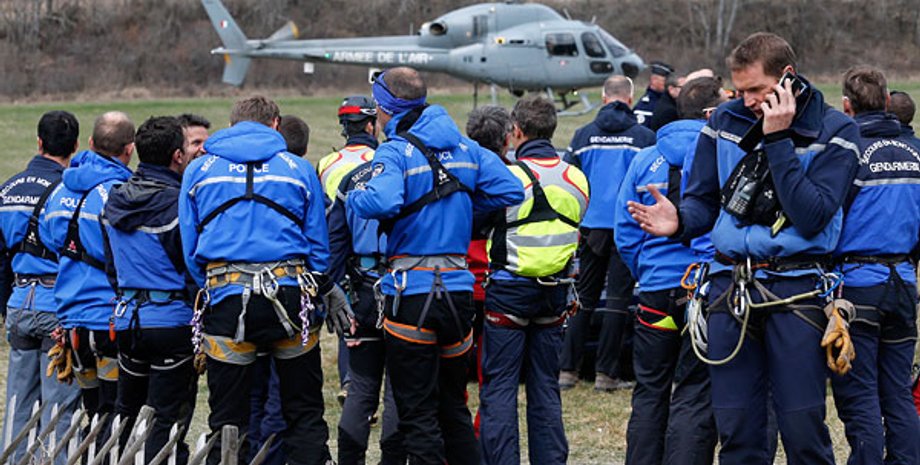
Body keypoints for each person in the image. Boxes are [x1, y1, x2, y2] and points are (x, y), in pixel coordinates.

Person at [628, 32, 861, 464]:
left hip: (797, 291)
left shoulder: (837, 130)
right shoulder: (723, 122)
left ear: (787, 77)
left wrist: (776, 140)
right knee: (735, 430)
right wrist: (680, 221)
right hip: (729, 289)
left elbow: (812, 215)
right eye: (741, 90)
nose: (748, 100)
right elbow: (702, 199)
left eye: (758, 89)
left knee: (801, 426)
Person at [347, 67, 523, 465]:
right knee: (453, 410)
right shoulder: (464, 146)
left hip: (412, 291)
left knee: (417, 413)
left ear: (383, 108)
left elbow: (383, 202)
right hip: (459, 290)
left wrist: (355, 194)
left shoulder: (393, 151)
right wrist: (461, 208)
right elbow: (512, 189)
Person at [178, 95, 353, 465]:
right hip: (289, 299)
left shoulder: (199, 170)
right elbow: (318, 247)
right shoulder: (299, 168)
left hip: (226, 297)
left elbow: (190, 246)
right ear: (276, 124)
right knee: (303, 412)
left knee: (227, 418)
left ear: (230, 125)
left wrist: (211, 284)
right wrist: (318, 288)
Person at [615, 77, 724, 465]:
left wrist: (646, 271)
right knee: (695, 391)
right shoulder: (722, 153)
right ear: (713, 112)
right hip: (705, 291)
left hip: (656, 293)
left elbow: (625, 231)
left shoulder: (645, 159)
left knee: (650, 389)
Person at [478, 95, 588, 465]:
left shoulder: (506, 178)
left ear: (517, 131)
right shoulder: (576, 177)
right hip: (555, 294)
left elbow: (480, 226)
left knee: (500, 388)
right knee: (545, 388)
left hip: (509, 292)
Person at [831, 66, 920, 465]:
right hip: (903, 280)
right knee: (898, 391)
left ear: (846, 105)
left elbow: (826, 218)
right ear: (887, 102)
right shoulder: (916, 152)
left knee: (860, 393)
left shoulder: (846, 152)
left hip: (858, 286)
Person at [103, 116, 198, 464]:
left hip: (128, 319)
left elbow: (111, 267)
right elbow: (191, 267)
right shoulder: (177, 204)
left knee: (125, 412)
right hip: (171, 321)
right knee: (165, 416)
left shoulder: (113, 200)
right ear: (177, 156)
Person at [561, 75, 655, 391]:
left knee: (582, 298)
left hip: (589, 227)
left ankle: (567, 371)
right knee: (617, 300)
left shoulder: (582, 135)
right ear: (630, 99)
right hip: (627, 226)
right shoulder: (643, 137)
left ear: (603, 98)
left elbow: (570, 181)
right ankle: (606, 374)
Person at [42, 112, 134, 430]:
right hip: (108, 319)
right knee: (115, 413)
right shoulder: (120, 193)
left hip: (72, 323)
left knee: (92, 411)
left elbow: (49, 238)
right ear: (129, 149)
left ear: (91, 144)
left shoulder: (59, 191)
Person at [0, 111, 81, 465]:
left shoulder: (8, 188)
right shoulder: (70, 193)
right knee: (59, 407)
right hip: (56, 306)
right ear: (76, 146)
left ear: (38, 142)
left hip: (19, 301)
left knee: (17, 404)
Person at [327, 108, 407, 465]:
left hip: (361, 290)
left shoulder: (351, 180)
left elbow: (334, 243)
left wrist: (332, 290)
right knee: (397, 390)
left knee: (360, 386)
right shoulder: (409, 177)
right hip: (403, 290)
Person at [245, 113, 310, 465]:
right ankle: (270, 455)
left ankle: (253, 452)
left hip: (235, 297)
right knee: (280, 392)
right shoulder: (302, 176)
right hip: (287, 297)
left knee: (253, 390)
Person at [318, 96, 379, 403]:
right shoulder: (383, 159)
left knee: (348, 320)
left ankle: (350, 383)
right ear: (371, 125)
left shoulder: (327, 164)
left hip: (342, 254)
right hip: (376, 256)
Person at [633, 61, 673, 127]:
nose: (667, 84)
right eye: (664, 81)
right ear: (654, 80)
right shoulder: (646, 105)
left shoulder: (668, 99)